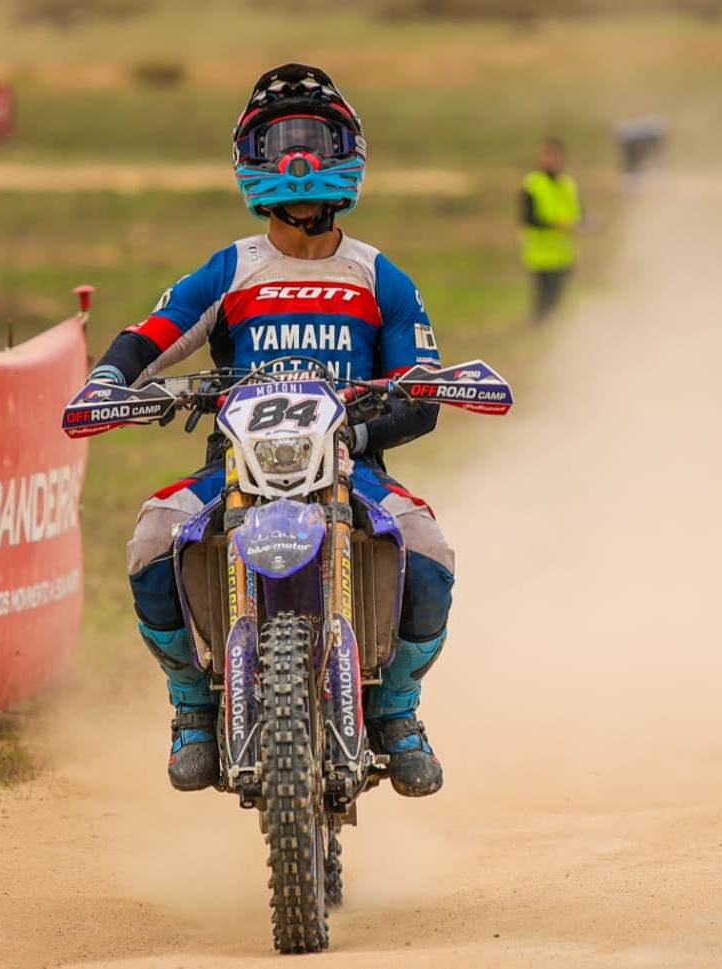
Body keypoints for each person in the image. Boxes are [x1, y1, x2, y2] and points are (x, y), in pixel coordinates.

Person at [69, 64, 452, 797]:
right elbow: (150, 334)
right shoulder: (232, 269)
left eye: (313, 137)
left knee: (429, 550)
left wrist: (364, 434)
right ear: (251, 158)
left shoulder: (380, 277)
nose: (298, 158)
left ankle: (398, 712)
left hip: (348, 464)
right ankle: (190, 707)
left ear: (348, 151)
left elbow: (421, 392)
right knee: (153, 538)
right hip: (236, 469)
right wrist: (112, 378)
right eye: (280, 141)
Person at [519, 137, 581, 323]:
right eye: (546, 154)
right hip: (540, 254)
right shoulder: (532, 183)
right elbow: (528, 218)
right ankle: (538, 327)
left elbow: (578, 212)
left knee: (557, 299)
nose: (550, 159)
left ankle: (552, 329)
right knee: (543, 300)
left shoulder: (568, 184)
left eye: (553, 154)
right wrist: (557, 225)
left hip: (564, 254)